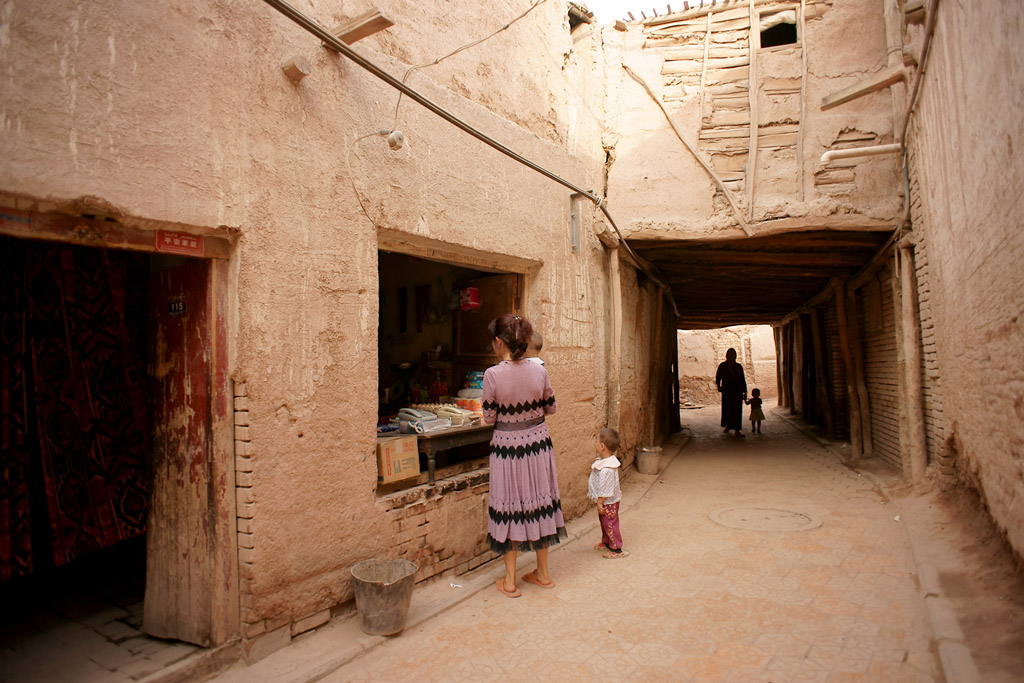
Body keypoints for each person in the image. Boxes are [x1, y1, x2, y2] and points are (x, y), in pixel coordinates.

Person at [483, 313, 565, 597]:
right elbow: (551, 408)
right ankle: (542, 573)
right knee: (539, 501)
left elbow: (488, 416)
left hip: (507, 449)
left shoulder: (492, 375)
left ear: (498, 342)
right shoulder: (539, 370)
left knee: (509, 507)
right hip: (538, 445)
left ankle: (509, 582)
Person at [589, 427, 629, 559]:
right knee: (604, 521)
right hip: (606, 502)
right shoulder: (605, 461)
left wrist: (600, 502)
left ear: (602, 446)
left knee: (610, 523)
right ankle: (607, 541)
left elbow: (605, 488)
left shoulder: (607, 469)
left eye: (596, 441)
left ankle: (616, 548)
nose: (594, 444)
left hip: (608, 503)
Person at [715, 348, 747, 437]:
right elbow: (718, 377)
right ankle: (728, 426)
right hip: (727, 390)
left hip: (737, 391)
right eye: (730, 355)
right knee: (727, 409)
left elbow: (742, 379)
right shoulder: (723, 366)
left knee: (737, 410)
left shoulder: (738, 367)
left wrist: (745, 391)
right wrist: (719, 386)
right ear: (727, 356)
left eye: (733, 355)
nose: (731, 357)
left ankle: (737, 429)